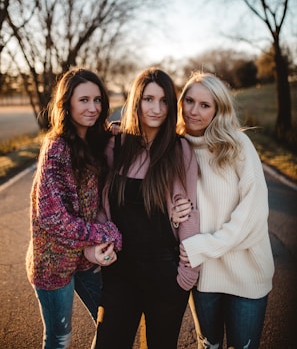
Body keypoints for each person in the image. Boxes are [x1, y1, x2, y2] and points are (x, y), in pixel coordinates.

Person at [85, 67, 200, 349]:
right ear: (137, 100)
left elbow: (190, 213)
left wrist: (188, 273)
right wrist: (93, 249)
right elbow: (101, 207)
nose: (156, 108)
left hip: (165, 275)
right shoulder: (116, 145)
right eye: (149, 99)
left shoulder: (179, 149)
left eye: (163, 101)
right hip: (120, 274)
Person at [172, 71, 275, 349]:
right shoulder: (174, 148)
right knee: (209, 346)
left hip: (246, 273)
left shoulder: (237, 145)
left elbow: (252, 217)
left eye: (205, 105)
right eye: (189, 101)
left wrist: (203, 245)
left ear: (219, 110)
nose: (194, 111)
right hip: (204, 277)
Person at [26, 68, 122, 349]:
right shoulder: (56, 148)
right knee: (59, 339)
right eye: (84, 100)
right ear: (67, 103)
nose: (92, 108)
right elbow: (54, 219)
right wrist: (106, 232)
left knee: (113, 323)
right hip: (52, 263)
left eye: (97, 100)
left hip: (84, 258)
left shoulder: (94, 141)